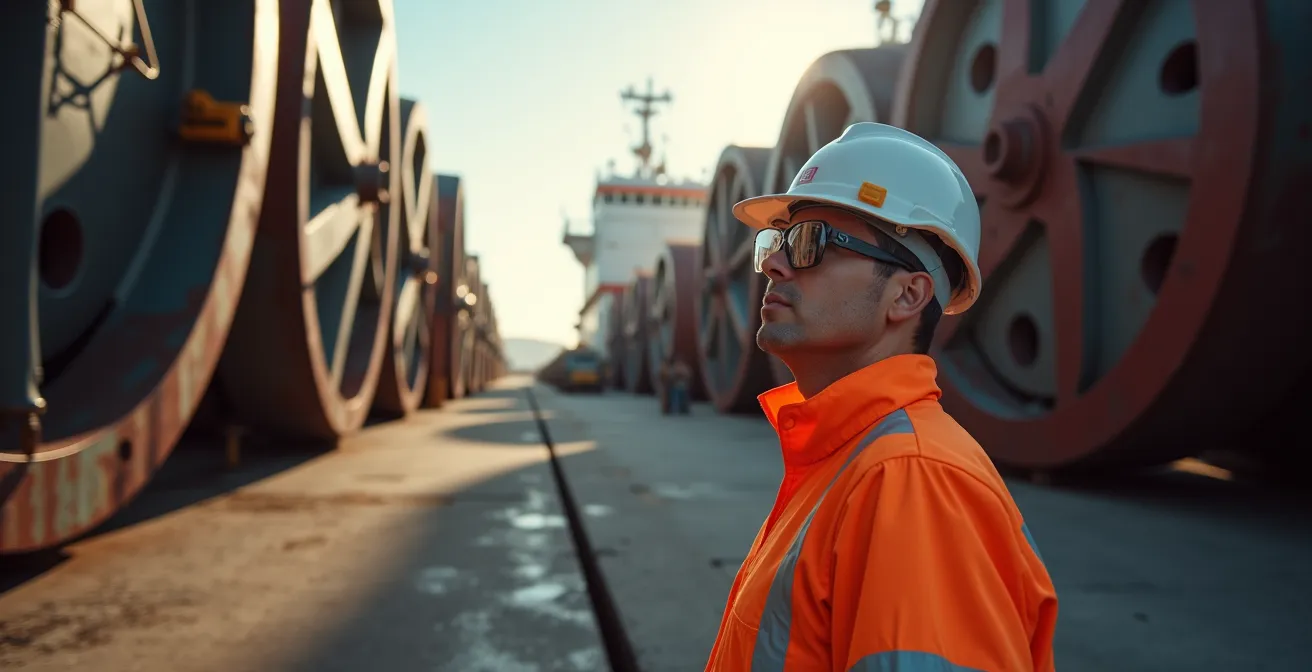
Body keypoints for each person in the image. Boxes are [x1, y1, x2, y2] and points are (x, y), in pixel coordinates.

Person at [703, 122, 1058, 671]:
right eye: (776, 243)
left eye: (811, 241)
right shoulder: (849, 458)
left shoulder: (912, 480)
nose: (773, 264)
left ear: (908, 294)